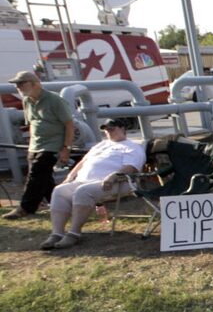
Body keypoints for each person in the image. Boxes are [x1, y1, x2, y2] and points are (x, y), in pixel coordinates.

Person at [38, 118, 145, 249]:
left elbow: (131, 167)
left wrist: (113, 176)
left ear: (122, 129)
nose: (108, 132)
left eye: (112, 129)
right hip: (84, 180)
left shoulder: (132, 146)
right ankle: (57, 233)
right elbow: (83, 162)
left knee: (83, 191)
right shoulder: (101, 145)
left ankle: (74, 233)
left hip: (116, 182)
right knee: (59, 190)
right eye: (106, 130)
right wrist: (70, 177)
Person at [3, 70, 74, 220]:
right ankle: (60, 204)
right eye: (16, 84)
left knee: (35, 175)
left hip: (52, 144)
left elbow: (69, 124)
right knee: (44, 179)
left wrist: (66, 148)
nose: (18, 87)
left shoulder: (54, 100)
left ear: (35, 83)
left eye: (22, 83)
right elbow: (32, 124)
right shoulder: (27, 100)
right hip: (35, 144)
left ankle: (26, 207)